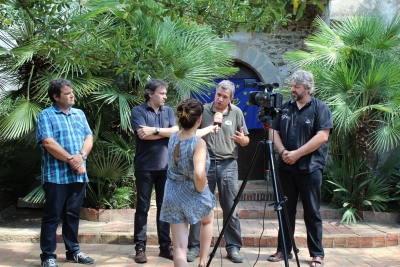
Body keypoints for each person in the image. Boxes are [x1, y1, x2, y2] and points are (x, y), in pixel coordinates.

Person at [268, 70, 333, 267]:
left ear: (308, 88)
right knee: (285, 210)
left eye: (296, 87)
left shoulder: (320, 108)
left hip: (310, 168)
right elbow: (273, 131)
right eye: (292, 86)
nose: (292, 89)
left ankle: (316, 254)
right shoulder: (286, 107)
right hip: (286, 168)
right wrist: (283, 152)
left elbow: (322, 136)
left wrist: (297, 154)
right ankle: (283, 250)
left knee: (311, 211)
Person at [187, 80, 250, 263]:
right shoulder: (203, 110)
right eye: (218, 95)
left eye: (224, 97)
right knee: (199, 205)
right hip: (204, 164)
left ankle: (233, 247)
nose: (220, 99)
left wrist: (242, 140)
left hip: (228, 164)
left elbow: (246, 140)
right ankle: (194, 247)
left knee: (230, 206)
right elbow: (191, 134)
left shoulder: (237, 112)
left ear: (231, 98)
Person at [36, 79, 94, 267]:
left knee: (73, 215)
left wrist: (82, 156)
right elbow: (48, 142)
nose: (72, 95)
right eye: (67, 93)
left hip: (78, 175)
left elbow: (88, 136)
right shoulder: (46, 115)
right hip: (55, 176)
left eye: (72, 92)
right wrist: (73, 160)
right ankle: (48, 256)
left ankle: (73, 251)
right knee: (52, 216)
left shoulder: (79, 113)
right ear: (56, 97)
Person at [160, 98, 217, 267]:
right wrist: (202, 188)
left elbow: (188, 137)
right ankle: (203, 261)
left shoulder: (173, 137)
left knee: (178, 248)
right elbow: (199, 173)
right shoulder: (199, 143)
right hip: (192, 192)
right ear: (199, 120)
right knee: (207, 220)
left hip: (172, 194)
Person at [131, 79, 179, 263]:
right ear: (151, 94)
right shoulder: (138, 111)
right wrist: (163, 132)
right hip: (144, 166)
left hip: (165, 167)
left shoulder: (168, 111)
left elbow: (175, 131)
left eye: (166, 93)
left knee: (163, 208)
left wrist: (155, 130)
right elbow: (143, 135)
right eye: (162, 93)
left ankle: (165, 247)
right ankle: (140, 248)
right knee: (142, 208)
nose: (165, 96)